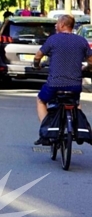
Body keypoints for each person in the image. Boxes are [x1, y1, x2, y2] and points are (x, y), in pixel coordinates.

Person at [33, 15, 92, 144]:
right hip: (74, 85)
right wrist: (87, 68)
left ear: (63, 25)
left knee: (41, 100)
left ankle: (46, 132)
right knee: (76, 103)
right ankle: (78, 128)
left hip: (54, 84)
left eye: (57, 23)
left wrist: (36, 65)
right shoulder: (81, 41)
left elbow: (38, 55)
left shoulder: (53, 39)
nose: (55, 26)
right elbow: (90, 60)